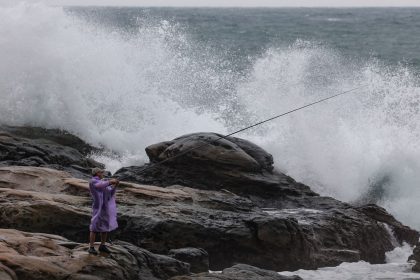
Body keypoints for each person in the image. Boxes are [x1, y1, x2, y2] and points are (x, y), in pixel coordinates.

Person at [88, 167, 119, 255]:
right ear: (97, 173)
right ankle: (91, 247)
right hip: (98, 207)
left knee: (105, 227)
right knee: (94, 227)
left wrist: (115, 185)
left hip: (105, 208)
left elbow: (110, 194)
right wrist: (110, 182)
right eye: (101, 172)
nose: (103, 174)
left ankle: (102, 245)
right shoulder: (93, 181)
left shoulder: (103, 182)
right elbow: (99, 185)